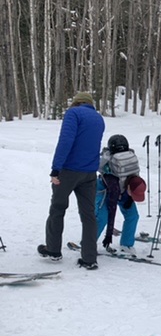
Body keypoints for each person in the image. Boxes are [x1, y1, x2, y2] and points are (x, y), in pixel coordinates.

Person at [38, 92, 105, 270]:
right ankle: (89, 258)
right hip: (89, 173)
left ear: (76, 103)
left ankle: (53, 250)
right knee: (88, 215)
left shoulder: (73, 113)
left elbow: (65, 141)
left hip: (68, 171)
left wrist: (56, 168)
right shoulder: (99, 118)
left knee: (58, 208)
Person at [96, 135, 146, 255]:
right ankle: (88, 243)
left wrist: (129, 197)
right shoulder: (114, 184)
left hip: (123, 191)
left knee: (133, 216)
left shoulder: (135, 179)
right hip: (106, 190)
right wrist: (108, 235)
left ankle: (126, 244)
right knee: (103, 217)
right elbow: (112, 213)